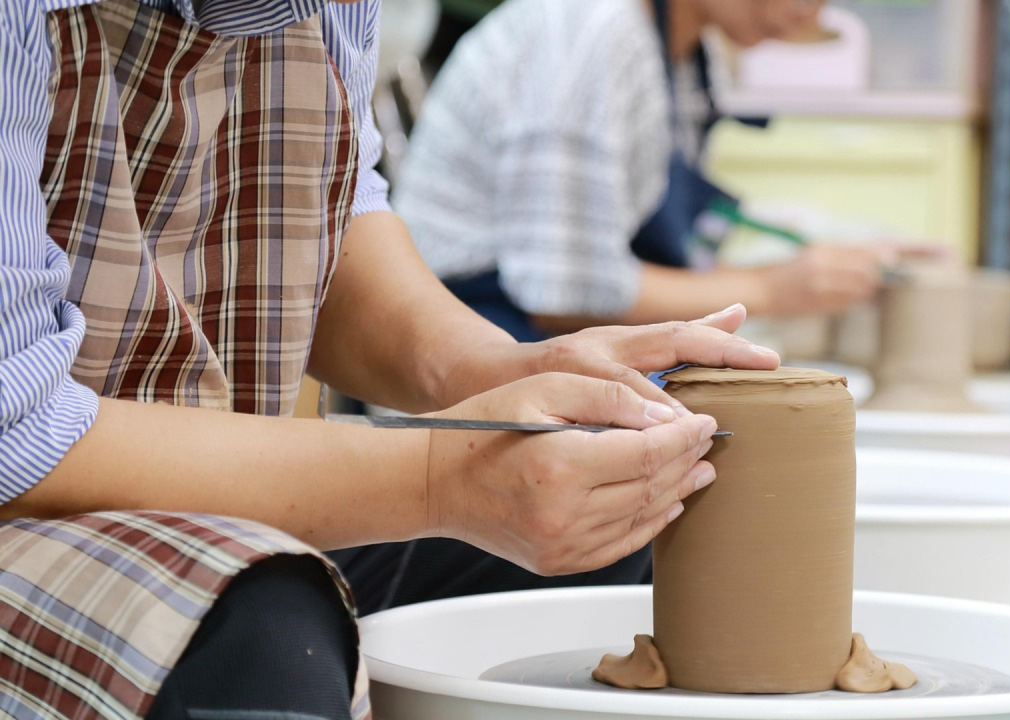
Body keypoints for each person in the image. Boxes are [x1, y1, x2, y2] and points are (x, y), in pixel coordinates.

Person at [0, 1, 779, 717]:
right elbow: (16, 432)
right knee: (261, 627)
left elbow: (328, 216)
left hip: (214, 489)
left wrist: (499, 374)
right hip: (31, 507)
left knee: (606, 520)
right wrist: (444, 477)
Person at [394, 0, 892, 344]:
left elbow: (660, 248)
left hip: (554, 340)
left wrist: (845, 254)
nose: (814, 9)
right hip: (470, 346)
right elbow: (564, 296)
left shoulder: (693, 54)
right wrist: (769, 290)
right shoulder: (591, 32)